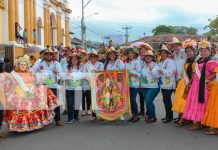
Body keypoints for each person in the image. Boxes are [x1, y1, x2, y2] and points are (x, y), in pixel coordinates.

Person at [3, 55, 59, 132]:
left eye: (24, 64)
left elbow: (35, 82)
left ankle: (31, 125)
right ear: (18, 65)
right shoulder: (13, 73)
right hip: (19, 94)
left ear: (27, 65)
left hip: (30, 91)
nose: (23, 66)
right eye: (21, 64)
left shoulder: (30, 72)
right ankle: (20, 126)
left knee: (32, 109)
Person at [183, 40, 218, 130]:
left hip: (203, 87)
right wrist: (188, 85)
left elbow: (216, 73)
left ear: (210, 52)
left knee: (201, 104)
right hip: (195, 86)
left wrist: (208, 78)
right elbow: (194, 74)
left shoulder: (211, 62)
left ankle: (200, 122)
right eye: (201, 51)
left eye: (205, 51)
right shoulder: (198, 61)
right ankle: (200, 121)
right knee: (195, 103)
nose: (203, 53)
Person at [31, 48, 64, 126]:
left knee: (55, 103)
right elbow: (32, 71)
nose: (48, 56)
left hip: (53, 86)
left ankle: (58, 120)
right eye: (47, 54)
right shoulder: (39, 62)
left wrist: (57, 73)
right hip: (42, 86)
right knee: (43, 104)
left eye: (50, 54)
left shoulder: (56, 63)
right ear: (44, 55)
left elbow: (61, 75)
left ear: (52, 55)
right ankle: (45, 120)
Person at [172, 39, 197, 127]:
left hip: (189, 84)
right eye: (187, 52)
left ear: (194, 51)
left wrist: (188, 85)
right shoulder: (187, 60)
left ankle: (183, 119)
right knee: (181, 101)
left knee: (184, 102)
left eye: (190, 51)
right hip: (182, 82)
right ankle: (183, 117)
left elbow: (194, 76)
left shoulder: (195, 62)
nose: (188, 53)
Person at [104, 47, 125, 120]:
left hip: (117, 83)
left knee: (118, 98)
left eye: (113, 53)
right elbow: (103, 73)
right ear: (108, 55)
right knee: (109, 98)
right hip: (108, 83)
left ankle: (120, 114)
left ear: (115, 54)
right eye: (110, 53)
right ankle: (110, 113)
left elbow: (123, 71)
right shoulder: (106, 63)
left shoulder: (119, 62)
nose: (112, 55)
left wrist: (117, 71)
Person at [61, 53, 83, 123]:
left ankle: (76, 117)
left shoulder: (81, 66)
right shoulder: (67, 67)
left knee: (77, 103)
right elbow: (62, 76)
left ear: (78, 60)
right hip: (69, 88)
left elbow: (84, 75)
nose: (74, 60)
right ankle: (70, 118)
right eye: (72, 59)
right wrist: (67, 74)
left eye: (76, 59)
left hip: (78, 88)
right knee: (70, 104)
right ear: (70, 60)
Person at [82, 50, 104, 119]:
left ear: (97, 57)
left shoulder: (100, 64)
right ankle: (94, 114)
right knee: (92, 100)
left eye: (94, 56)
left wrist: (94, 76)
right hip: (89, 84)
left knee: (100, 99)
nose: (93, 58)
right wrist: (90, 78)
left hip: (99, 84)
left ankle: (101, 115)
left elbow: (101, 73)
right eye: (91, 56)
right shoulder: (86, 65)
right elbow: (84, 74)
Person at [140, 50, 160, 123]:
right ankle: (149, 115)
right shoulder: (143, 65)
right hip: (143, 87)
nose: (147, 57)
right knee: (148, 101)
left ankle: (153, 117)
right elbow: (141, 75)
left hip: (153, 86)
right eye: (146, 56)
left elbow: (157, 76)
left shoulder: (156, 65)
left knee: (148, 100)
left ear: (152, 57)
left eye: (149, 56)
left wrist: (152, 69)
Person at [158, 45, 176, 123]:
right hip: (163, 84)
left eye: (164, 53)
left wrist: (162, 71)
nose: (163, 54)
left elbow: (172, 72)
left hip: (169, 84)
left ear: (167, 54)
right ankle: (168, 116)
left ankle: (169, 117)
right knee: (166, 101)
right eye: (161, 53)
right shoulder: (161, 62)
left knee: (167, 101)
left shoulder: (170, 61)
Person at [125, 47, 141, 123]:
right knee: (130, 100)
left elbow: (139, 73)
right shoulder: (126, 63)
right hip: (128, 84)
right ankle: (133, 115)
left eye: (132, 53)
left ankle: (137, 115)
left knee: (133, 99)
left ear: (135, 54)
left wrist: (133, 73)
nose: (130, 54)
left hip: (134, 84)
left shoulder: (137, 62)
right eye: (129, 53)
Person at [202, 66, 218, 135]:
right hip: (215, 88)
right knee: (214, 107)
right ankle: (215, 127)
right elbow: (214, 76)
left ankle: (215, 128)